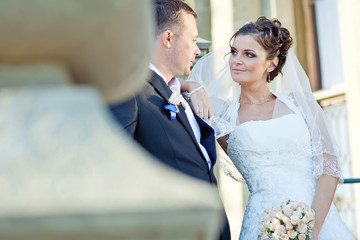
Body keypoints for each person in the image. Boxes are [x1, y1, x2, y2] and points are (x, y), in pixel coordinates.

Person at [184, 17, 354, 240]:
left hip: (319, 221)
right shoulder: (221, 112)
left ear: (271, 63)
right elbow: (161, 84)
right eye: (234, 52)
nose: (237, 60)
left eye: (249, 54)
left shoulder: (300, 103)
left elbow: (330, 169)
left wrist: (311, 229)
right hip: (260, 224)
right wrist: (191, 85)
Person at [109, 0, 231, 239]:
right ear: (168, 39)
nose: (197, 51)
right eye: (193, 40)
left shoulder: (179, 93)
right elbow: (115, 167)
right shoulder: (131, 91)